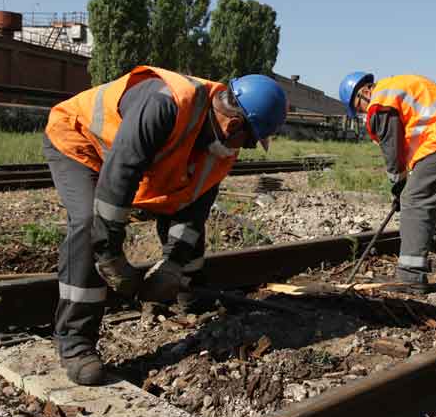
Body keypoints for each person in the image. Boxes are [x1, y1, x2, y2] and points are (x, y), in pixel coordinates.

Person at [43, 65, 287, 385]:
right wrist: (110, 255)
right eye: (251, 140)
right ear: (234, 124)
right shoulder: (166, 103)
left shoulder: (221, 148)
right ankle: (75, 342)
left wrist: (174, 266)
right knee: (89, 223)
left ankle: (191, 298)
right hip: (79, 140)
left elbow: (192, 210)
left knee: (189, 232)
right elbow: (119, 179)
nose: (247, 148)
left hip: (125, 158)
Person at [339, 72, 436, 292]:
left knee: (414, 200)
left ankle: (410, 275)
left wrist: (399, 185)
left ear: (365, 92)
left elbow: (392, 149)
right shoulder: (397, 86)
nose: (362, 113)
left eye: (358, 107)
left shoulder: (380, 101)